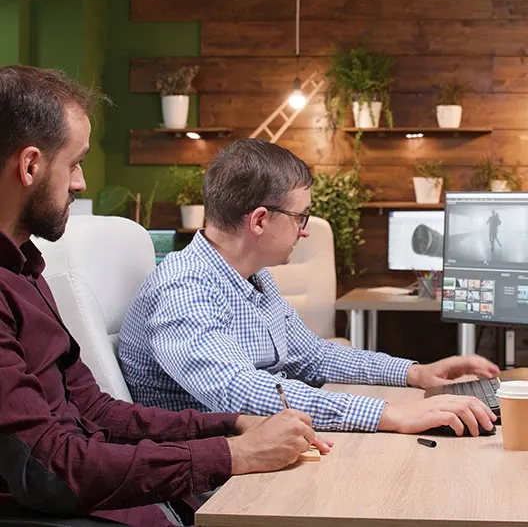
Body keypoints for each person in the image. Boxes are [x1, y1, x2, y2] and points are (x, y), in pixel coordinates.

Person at [0, 66, 330, 527]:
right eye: (74, 163)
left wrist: (229, 426)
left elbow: (95, 412)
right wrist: (231, 454)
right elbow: (51, 469)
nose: (80, 183)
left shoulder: (25, 269)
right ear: (31, 165)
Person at [117, 139, 499, 438]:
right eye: (301, 216)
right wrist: (390, 414)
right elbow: (240, 392)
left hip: (258, 447)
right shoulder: (185, 288)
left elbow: (313, 356)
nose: (304, 230)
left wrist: (415, 373)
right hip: (213, 477)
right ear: (260, 221)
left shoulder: (254, 276)